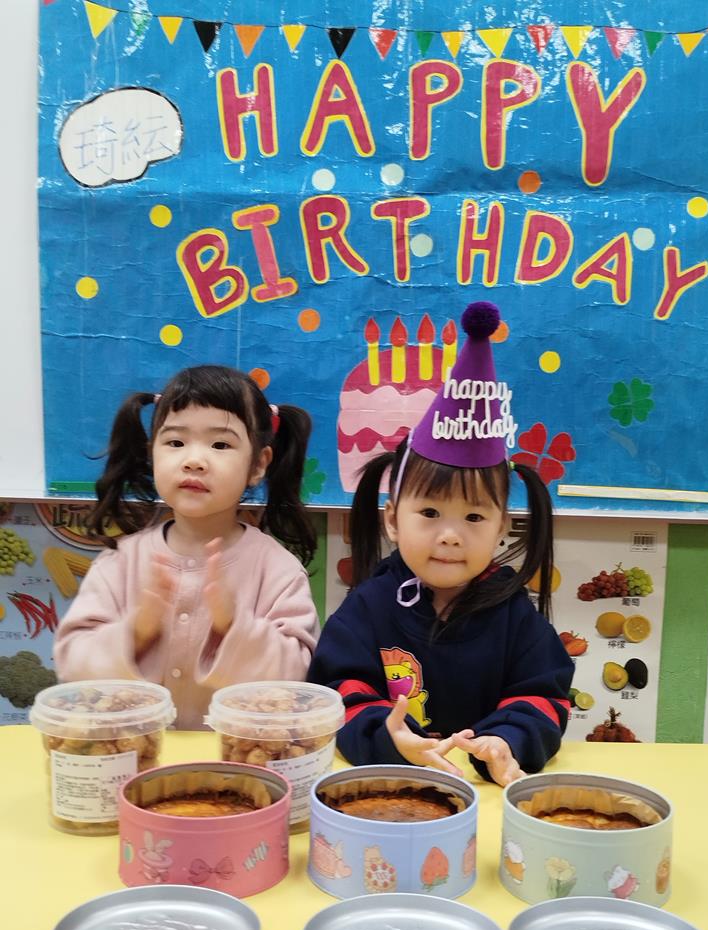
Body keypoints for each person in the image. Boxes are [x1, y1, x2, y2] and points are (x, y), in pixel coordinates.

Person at [309, 302, 573, 785]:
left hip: (485, 792)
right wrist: (391, 738)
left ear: (501, 527)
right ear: (393, 519)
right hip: (389, 788)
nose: (450, 535)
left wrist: (505, 741)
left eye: (474, 517)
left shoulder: (515, 615)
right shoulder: (368, 608)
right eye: (429, 514)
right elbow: (337, 691)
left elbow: (545, 697)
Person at [54, 364, 320, 729]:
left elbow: (296, 679)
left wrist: (234, 626)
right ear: (152, 453)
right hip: (135, 753)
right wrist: (136, 631)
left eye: (220, 444)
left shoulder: (278, 570)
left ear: (258, 464)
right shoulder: (119, 561)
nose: (194, 460)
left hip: (233, 756)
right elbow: (71, 664)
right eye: (176, 442)